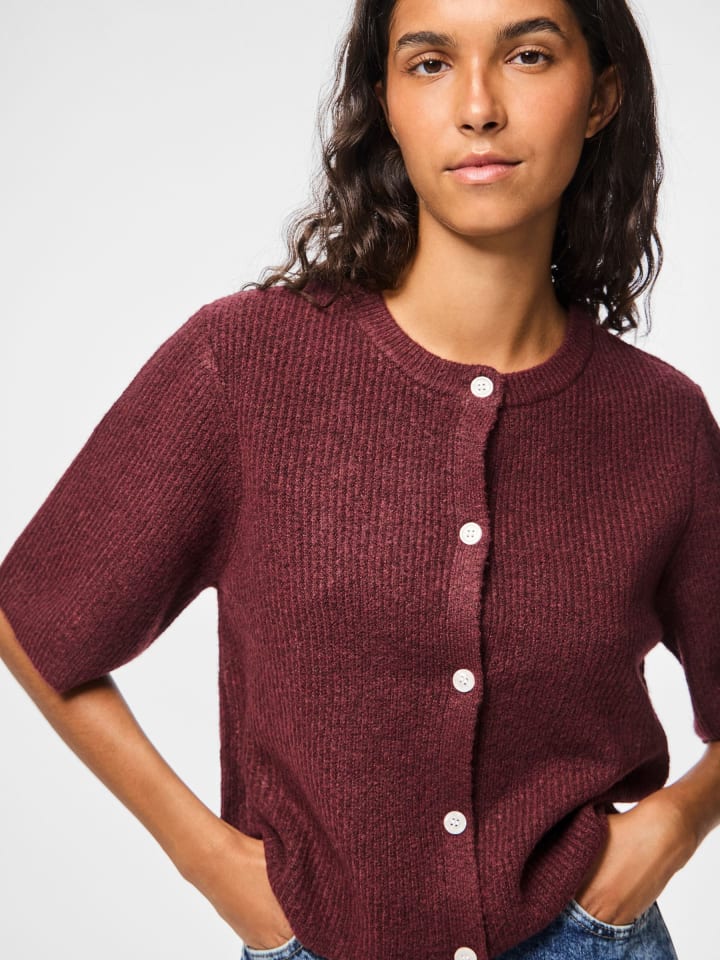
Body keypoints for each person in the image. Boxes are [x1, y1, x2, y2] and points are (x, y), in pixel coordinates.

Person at [1, 0, 719, 958]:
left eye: (529, 55)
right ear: (385, 102)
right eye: (430, 63)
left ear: (601, 97)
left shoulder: (661, 420)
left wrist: (674, 826)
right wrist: (210, 863)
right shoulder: (246, 365)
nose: (477, 106)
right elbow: (36, 614)